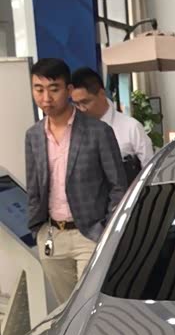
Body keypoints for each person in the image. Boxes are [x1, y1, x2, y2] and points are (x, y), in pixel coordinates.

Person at [25, 57, 126, 306]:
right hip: (52, 237)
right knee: (65, 311)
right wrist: (38, 230)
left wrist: (106, 229)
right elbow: (34, 187)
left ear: (68, 90)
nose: (46, 98)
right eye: (39, 89)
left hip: (90, 234)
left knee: (88, 308)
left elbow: (118, 186)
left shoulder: (98, 131)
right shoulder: (33, 135)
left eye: (54, 89)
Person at [71, 67, 154, 183]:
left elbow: (150, 170)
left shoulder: (131, 127)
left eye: (85, 102)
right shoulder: (74, 131)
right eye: (76, 104)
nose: (82, 109)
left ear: (101, 94)